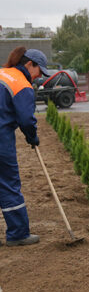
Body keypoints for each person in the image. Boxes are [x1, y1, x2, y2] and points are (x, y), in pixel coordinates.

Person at [0, 46, 49, 247]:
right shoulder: (22, 85)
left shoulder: (2, 73)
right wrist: (32, 138)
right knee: (9, 184)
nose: (39, 77)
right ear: (30, 64)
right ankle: (18, 234)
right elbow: (26, 120)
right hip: (1, 141)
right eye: (39, 72)